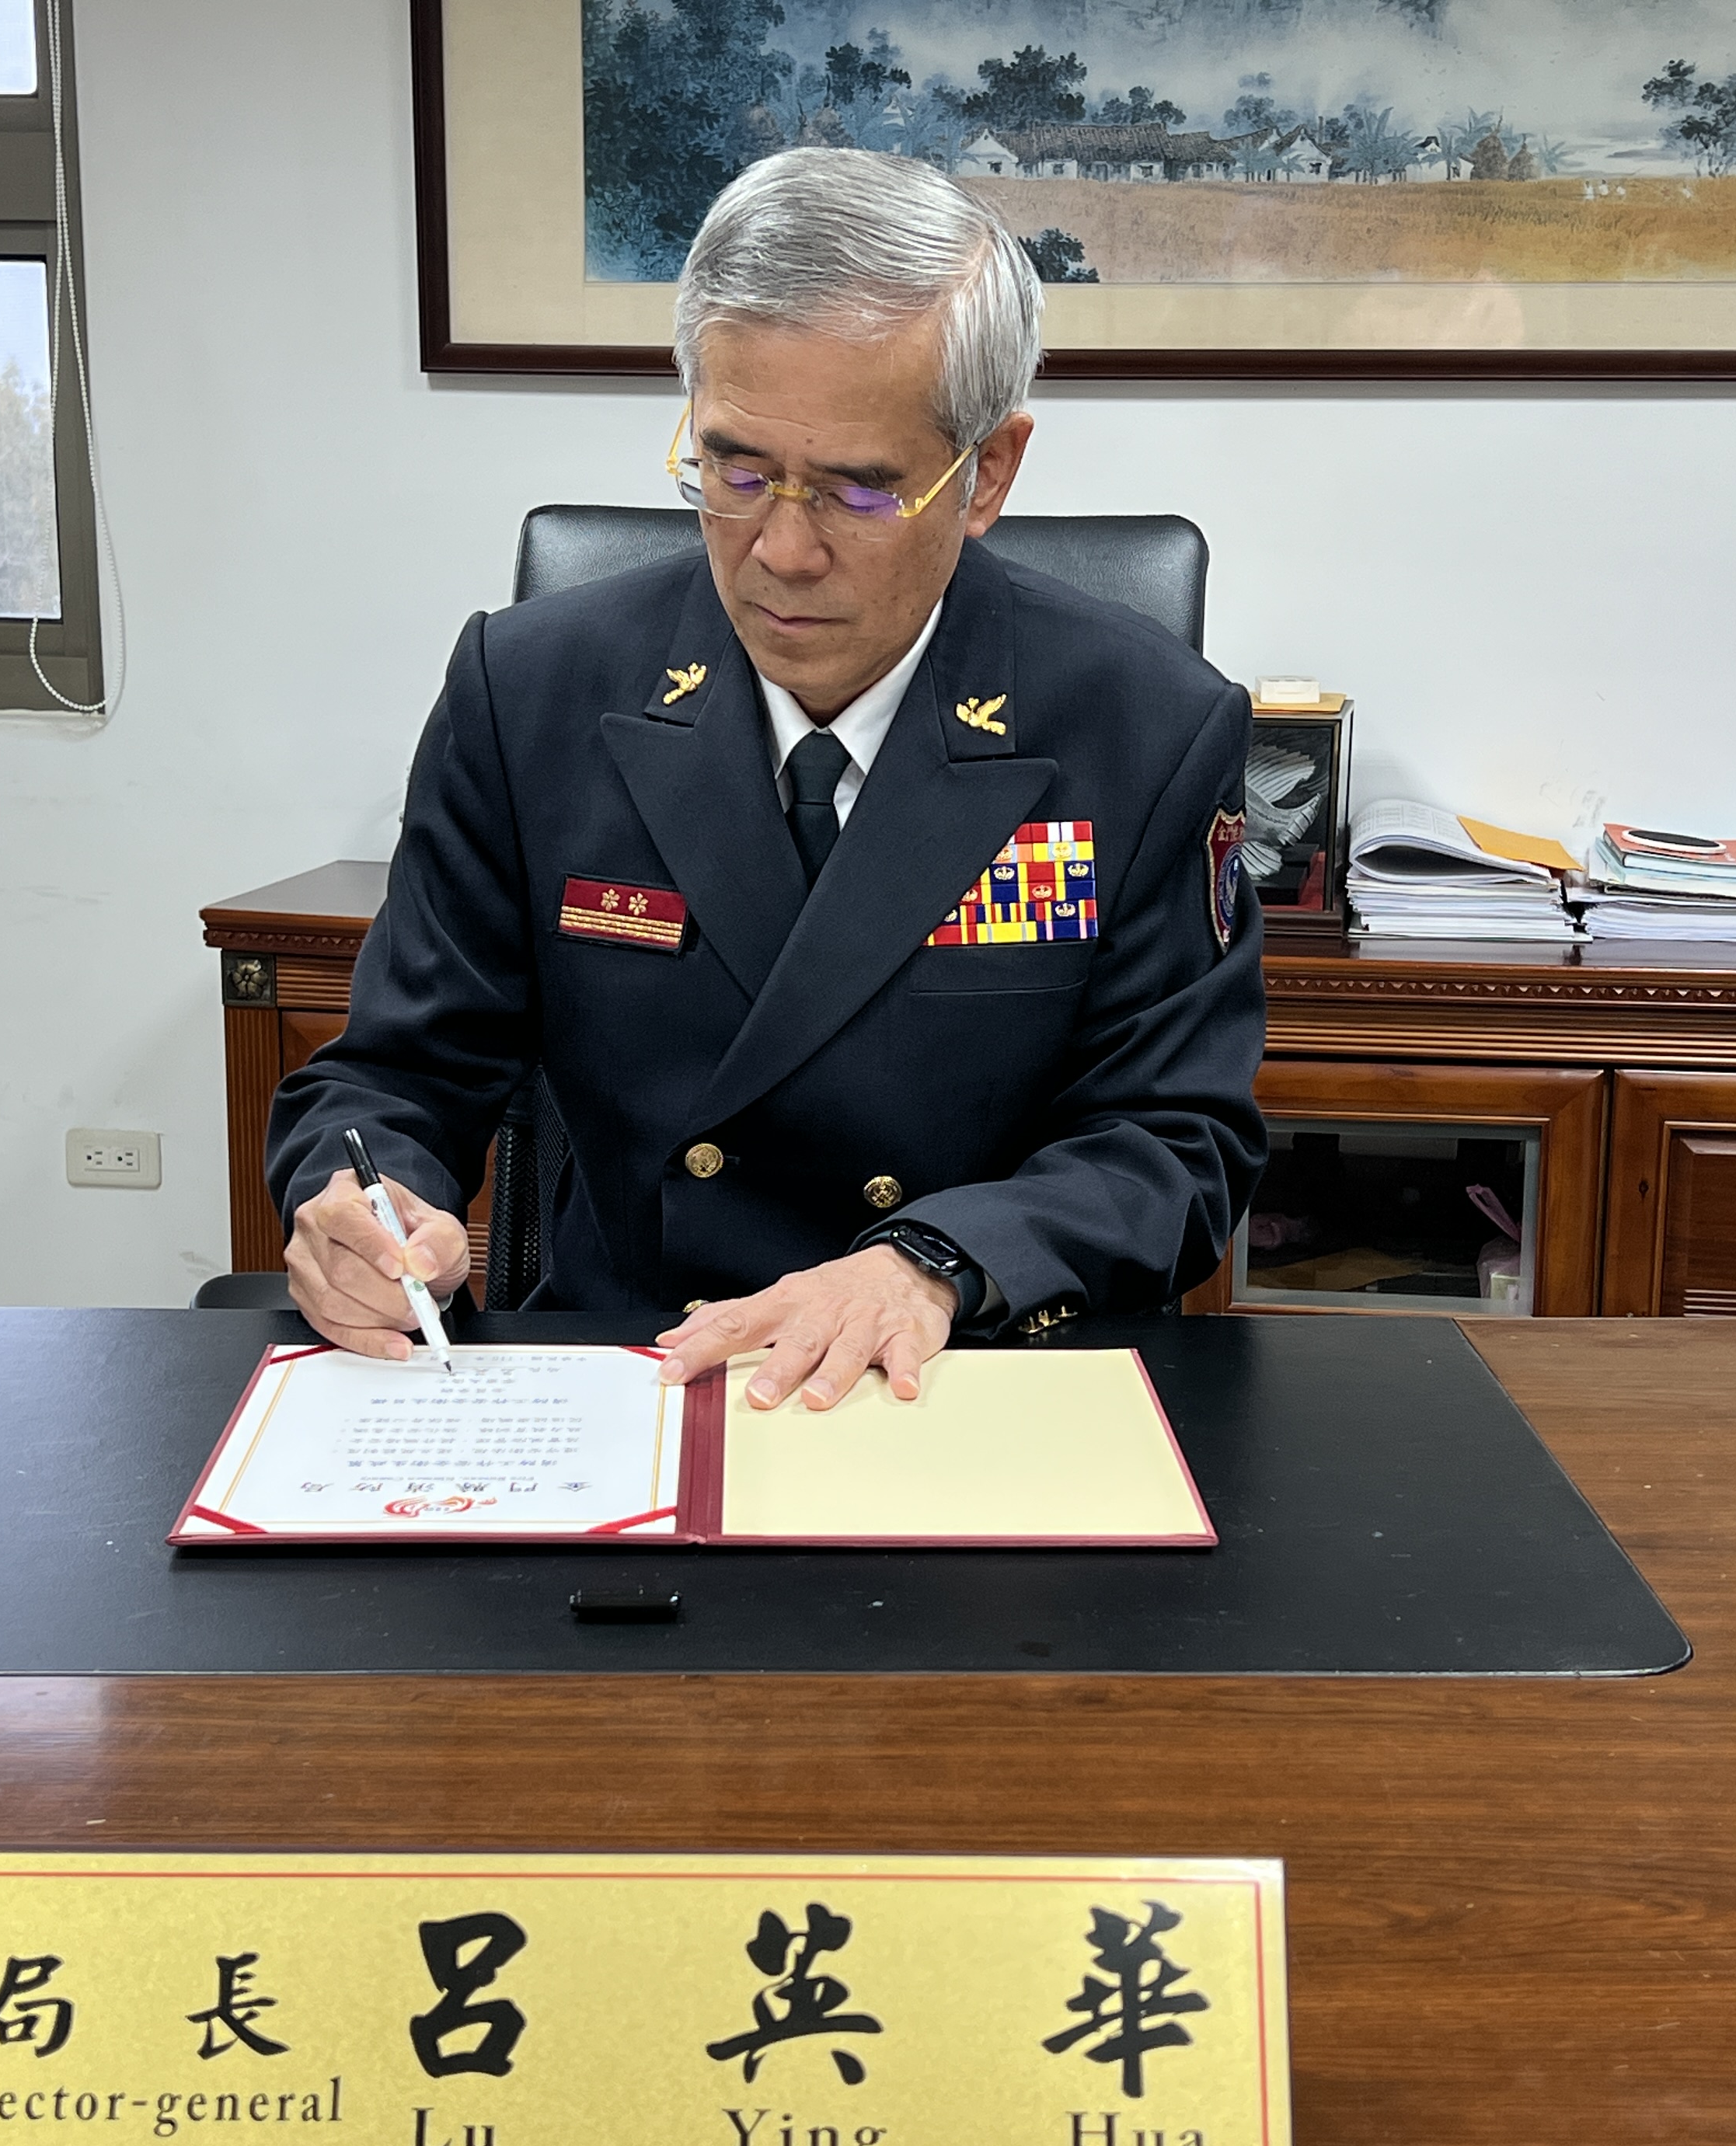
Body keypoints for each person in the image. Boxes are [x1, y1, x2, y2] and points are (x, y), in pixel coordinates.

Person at [270, 147, 1265, 1413]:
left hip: (964, 1381)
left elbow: (1175, 1140)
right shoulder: (529, 693)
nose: (782, 553)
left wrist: (930, 1264)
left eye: (860, 490)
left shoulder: (1145, 726)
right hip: (635, 1370)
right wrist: (366, 1201)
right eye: (736, 472)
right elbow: (396, 1074)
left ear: (989, 474)